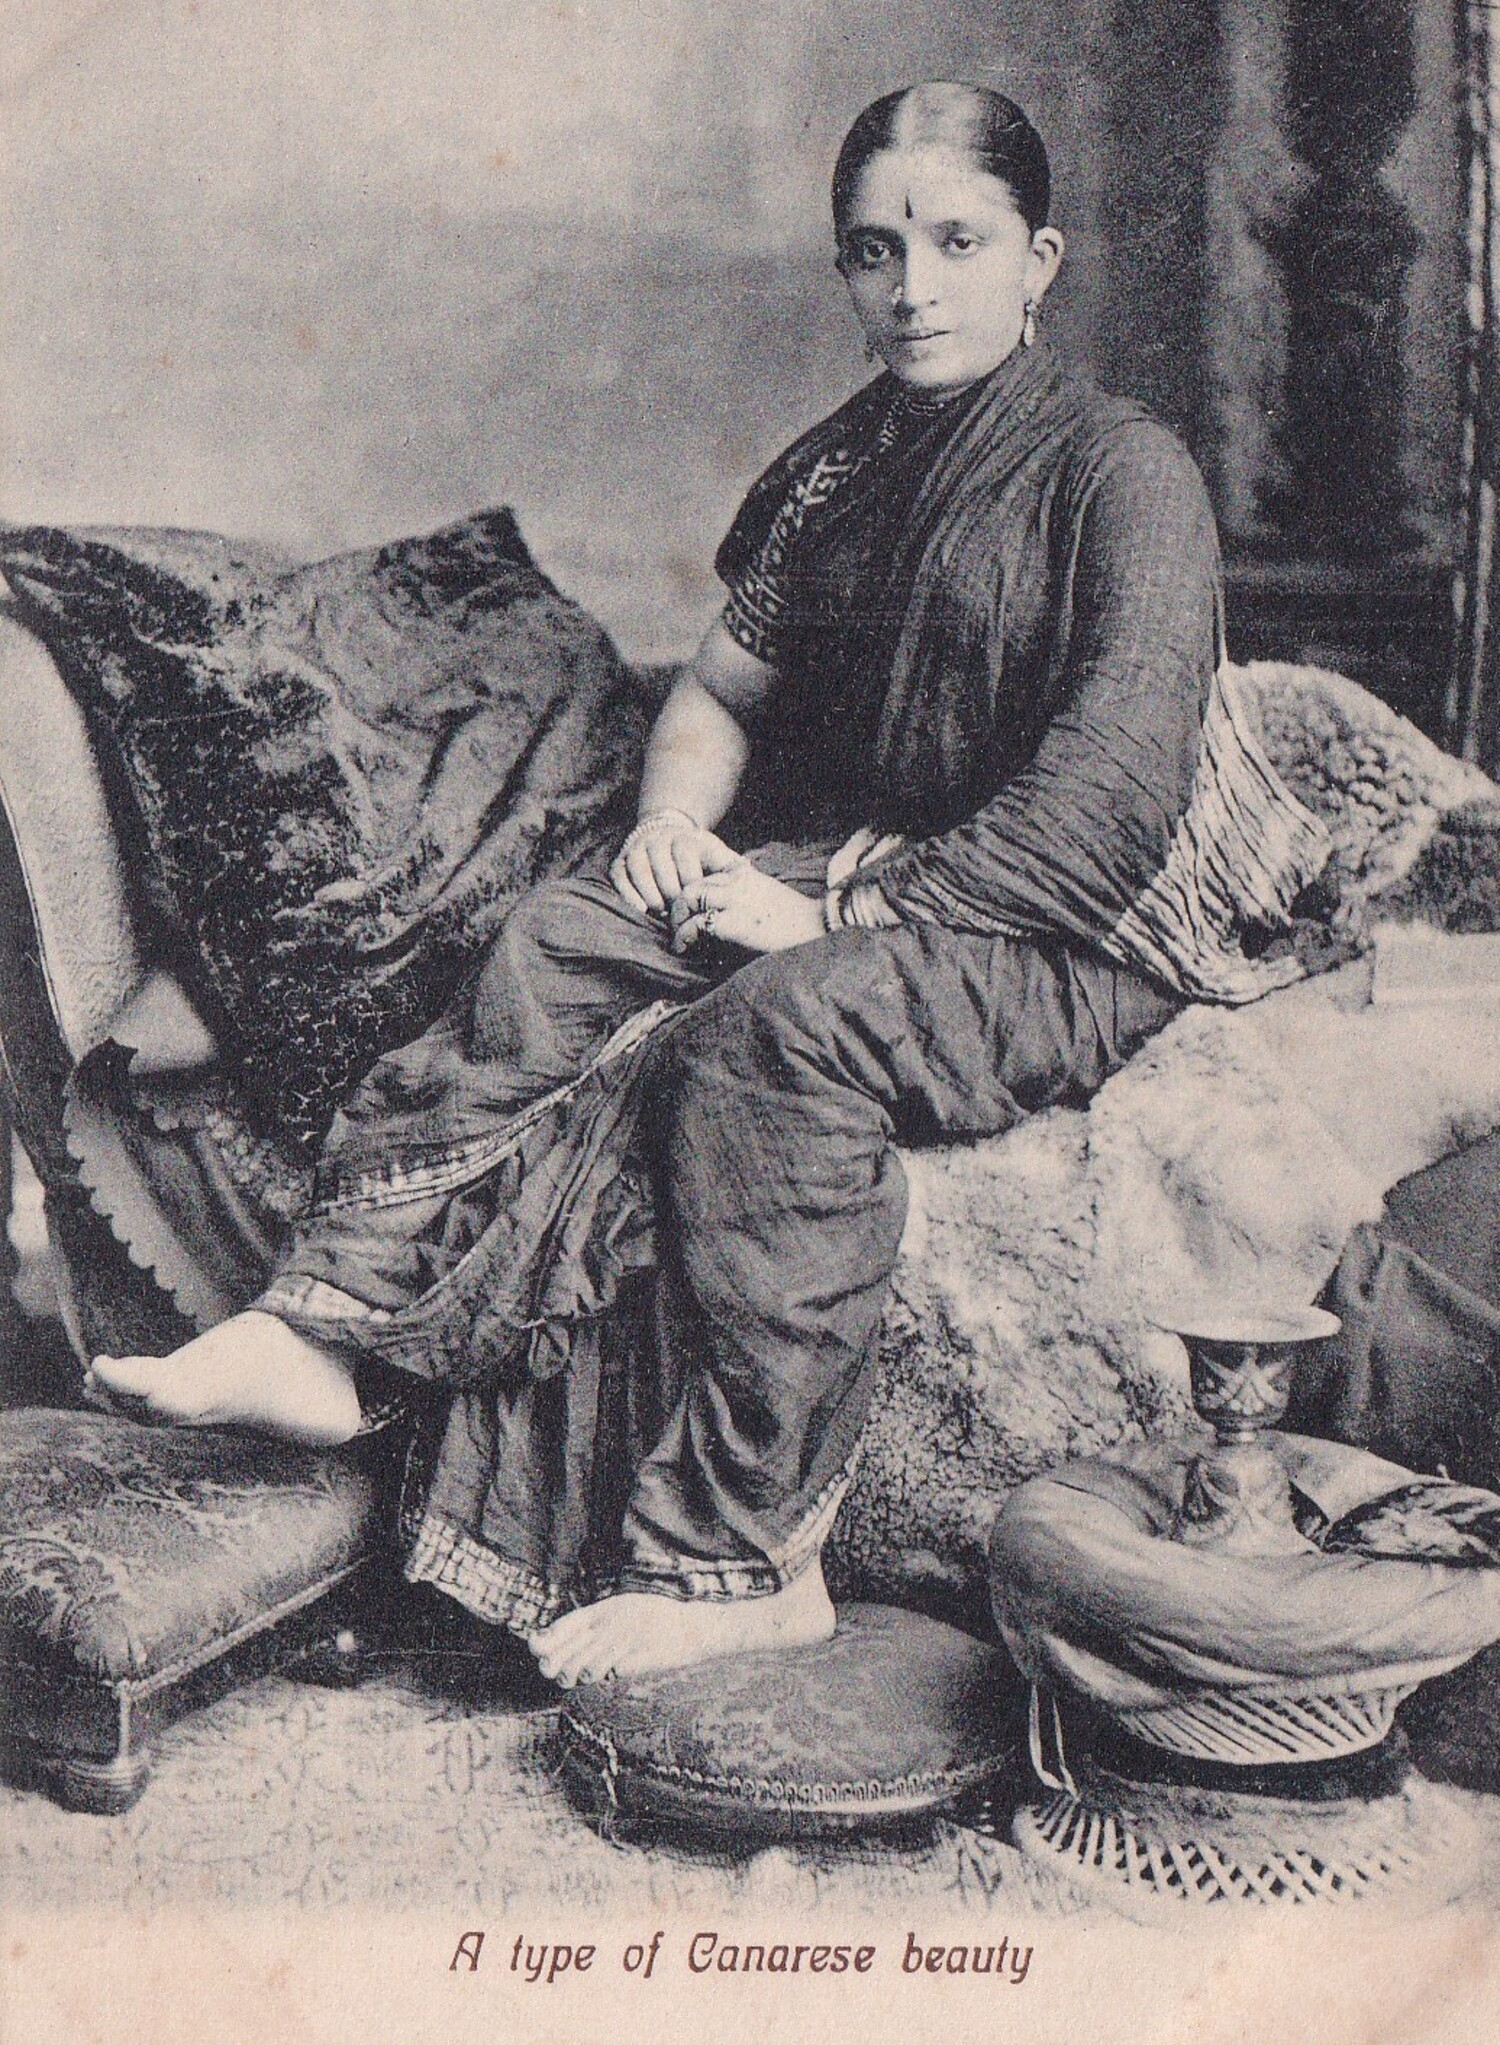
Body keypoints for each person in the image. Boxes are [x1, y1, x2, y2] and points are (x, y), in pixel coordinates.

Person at [87, 84, 1329, 1685]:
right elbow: (720, 693)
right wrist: (675, 829)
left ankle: (747, 1563)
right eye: (874, 251)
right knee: (566, 929)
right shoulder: (837, 470)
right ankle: (334, 1326)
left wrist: (830, 918)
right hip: (876, 864)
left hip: (1072, 922)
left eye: (958, 244)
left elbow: (1111, 802)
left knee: (772, 1033)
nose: (913, 288)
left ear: (1041, 261)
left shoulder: (1123, 474)